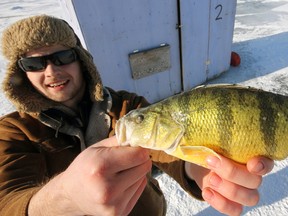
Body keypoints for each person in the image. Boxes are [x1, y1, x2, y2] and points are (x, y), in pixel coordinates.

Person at [0, 15, 274, 216]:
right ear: (21, 72)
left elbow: (164, 149)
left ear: (80, 59)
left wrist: (195, 167)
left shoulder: (126, 106)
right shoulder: (11, 131)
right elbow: (7, 201)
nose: (51, 71)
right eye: (34, 63)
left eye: (62, 57)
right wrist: (65, 196)